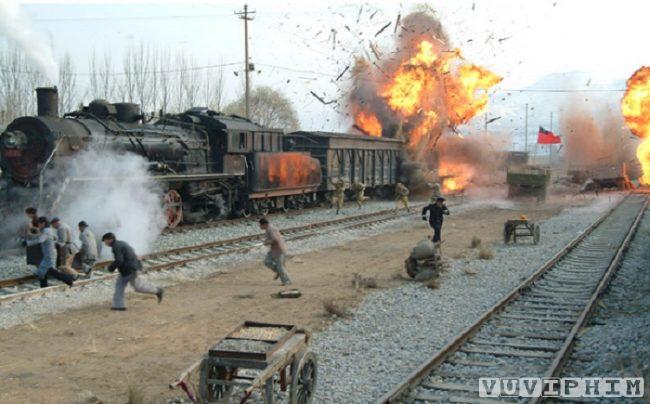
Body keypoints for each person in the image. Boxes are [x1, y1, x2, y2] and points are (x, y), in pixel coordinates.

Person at [102, 233, 163, 310]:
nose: (105, 243)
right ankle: (157, 291)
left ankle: (118, 306)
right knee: (135, 287)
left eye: (105, 241)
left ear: (110, 239)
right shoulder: (121, 243)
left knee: (122, 286)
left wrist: (111, 267)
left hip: (128, 269)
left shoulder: (116, 246)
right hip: (133, 267)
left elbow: (119, 260)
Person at [25, 217, 75, 288]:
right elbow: (54, 238)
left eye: (39, 223)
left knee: (50, 270)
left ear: (43, 223)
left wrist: (27, 243)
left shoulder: (46, 231)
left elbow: (40, 240)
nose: (38, 225)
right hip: (49, 253)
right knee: (42, 270)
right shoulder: (49, 230)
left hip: (49, 254)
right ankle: (44, 286)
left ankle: (68, 279)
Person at [259, 218, 291, 285]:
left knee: (280, 267)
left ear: (264, 224)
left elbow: (275, 239)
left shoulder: (271, 229)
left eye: (260, 225)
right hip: (273, 250)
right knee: (267, 261)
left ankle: (287, 281)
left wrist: (267, 242)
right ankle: (279, 272)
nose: (260, 227)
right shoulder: (268, 229)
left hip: (278, 250)